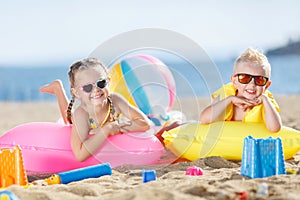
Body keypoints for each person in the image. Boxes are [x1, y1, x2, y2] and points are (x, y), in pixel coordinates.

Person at [40, 58, 151, 162]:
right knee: (69, 120)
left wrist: (117, 127)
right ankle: (58, 89)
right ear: (76, 93)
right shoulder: (81, 114)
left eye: (101, 83)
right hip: (84, 119)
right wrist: (106, 131)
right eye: (88, 88)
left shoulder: (116, 101)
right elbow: (79, 154)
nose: (96, 90)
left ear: (108, 81)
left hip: (102, 124)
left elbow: (145, 123)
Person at [199, 48, 282, 132]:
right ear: (234, 81)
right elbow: (204, 119)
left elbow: (275, 128)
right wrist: (230, 99)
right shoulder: (226, 94)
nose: (252, 84)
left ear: (267, 85)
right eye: (245, 78)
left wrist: (265, 100)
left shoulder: (266, 102)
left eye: (259, 80)